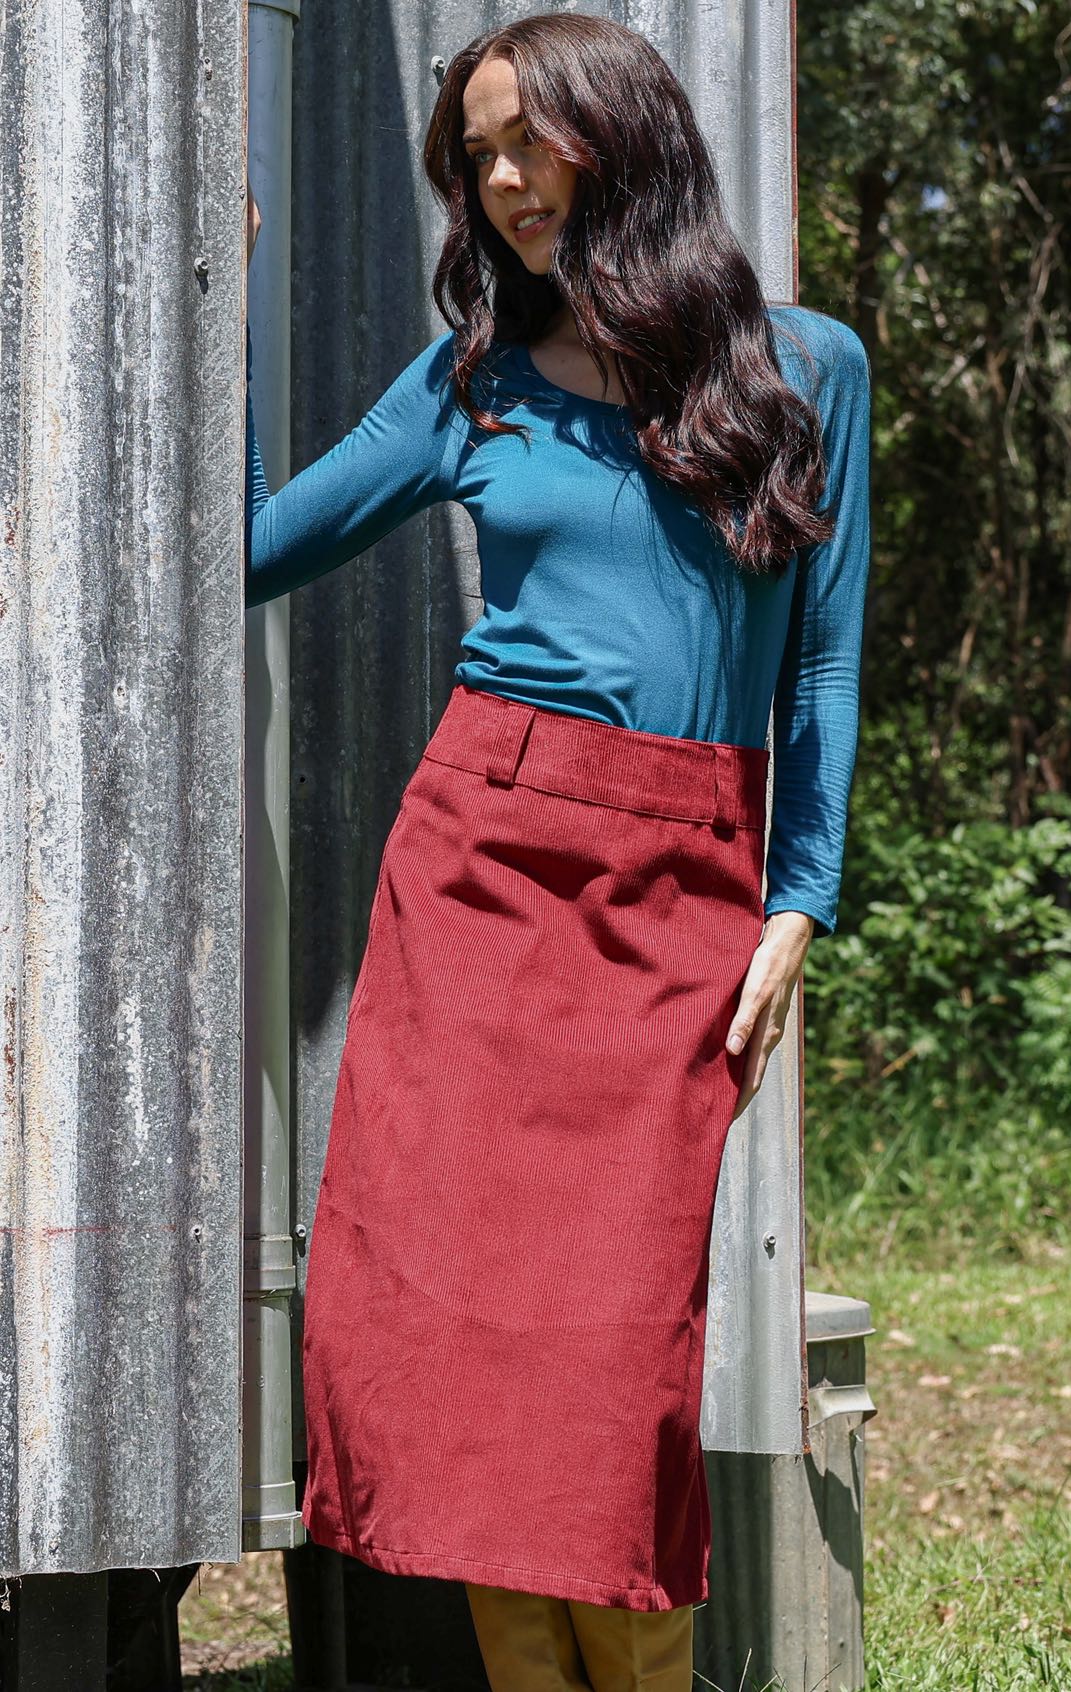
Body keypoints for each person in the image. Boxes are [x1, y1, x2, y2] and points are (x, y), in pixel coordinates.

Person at [244, 13, 871, 1690]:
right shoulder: (471, 385)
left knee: (608, 1372)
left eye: (533, 140)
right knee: (453, 1366)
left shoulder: (805, 370)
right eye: (479, 156)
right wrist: (204, 319)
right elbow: (246, 552)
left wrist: (797, 900)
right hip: (479, 873)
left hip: (682, 892)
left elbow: (819, 660)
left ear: (629, 133)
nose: (506, 183)